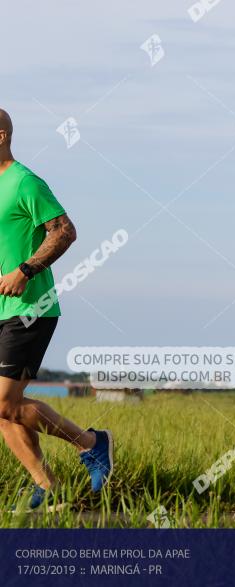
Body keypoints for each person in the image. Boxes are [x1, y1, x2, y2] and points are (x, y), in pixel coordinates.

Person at [0, 108, 113, 510]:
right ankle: (47, 490)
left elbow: (65, 230)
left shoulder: (24, 181)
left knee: (4, 403)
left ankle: (92, 444)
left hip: (29, 307)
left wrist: (26, 270)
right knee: (3, 411)